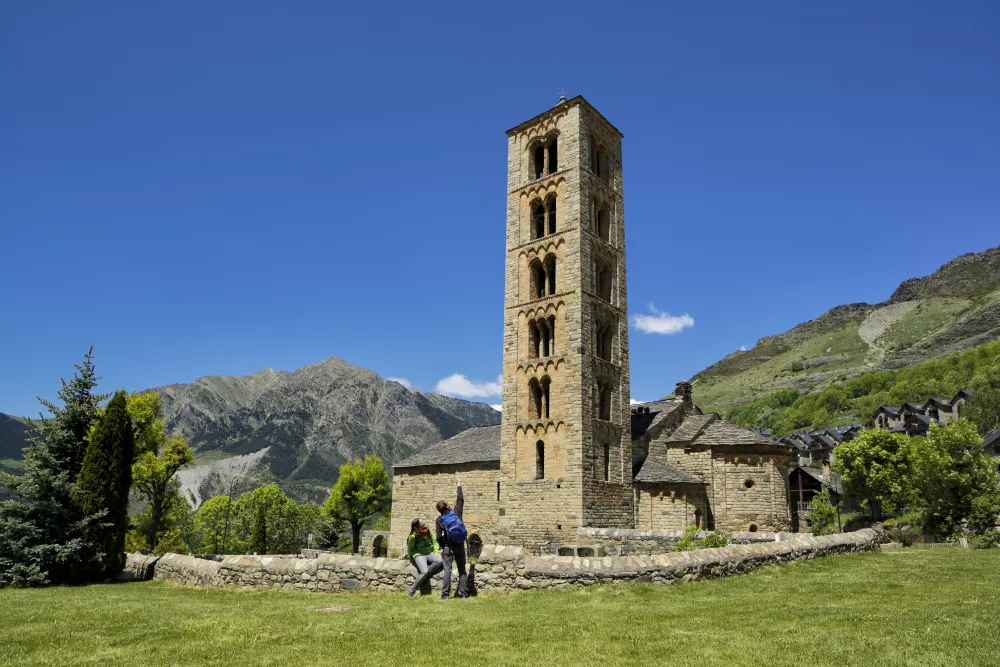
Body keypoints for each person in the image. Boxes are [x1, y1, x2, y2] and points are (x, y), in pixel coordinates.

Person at [435, 482, 468, 600]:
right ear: (448, 505)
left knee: (447, 571)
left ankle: (444, 595)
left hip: (448, 546)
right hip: (459, 544)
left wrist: (443, 544)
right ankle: (462, 594)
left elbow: (438, 536)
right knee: (462, 570)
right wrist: (459, 485)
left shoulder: (439, 520)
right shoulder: (457, 512)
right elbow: (460, 499)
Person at [406, 518, 443, 598]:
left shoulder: (428, 530)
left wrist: (436, 552)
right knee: (424, 571)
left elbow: (435, 541)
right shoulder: (412, 537)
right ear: (417, 526)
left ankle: (424, 575)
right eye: (422, 523)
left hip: (429, 553)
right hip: (419, 555)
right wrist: (413, 558)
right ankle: (412, 591)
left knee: (440, 561)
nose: (424, 522)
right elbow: (410, 549)